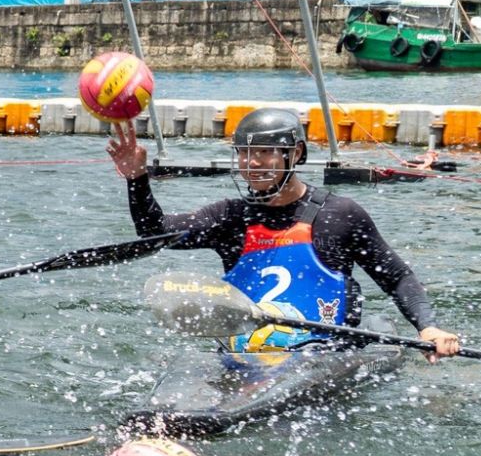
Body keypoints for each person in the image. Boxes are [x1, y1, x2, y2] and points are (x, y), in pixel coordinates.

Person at [107, 109, 461, 367]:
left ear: (296, 154)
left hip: (321, 356)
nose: (252, 163)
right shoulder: (231, 217)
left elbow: (396, 276)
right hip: (245, 357)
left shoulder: (340, 215)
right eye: (245, 153)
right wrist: (137, 179)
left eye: (264, 152)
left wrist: (427, 328)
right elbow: (154, 233)